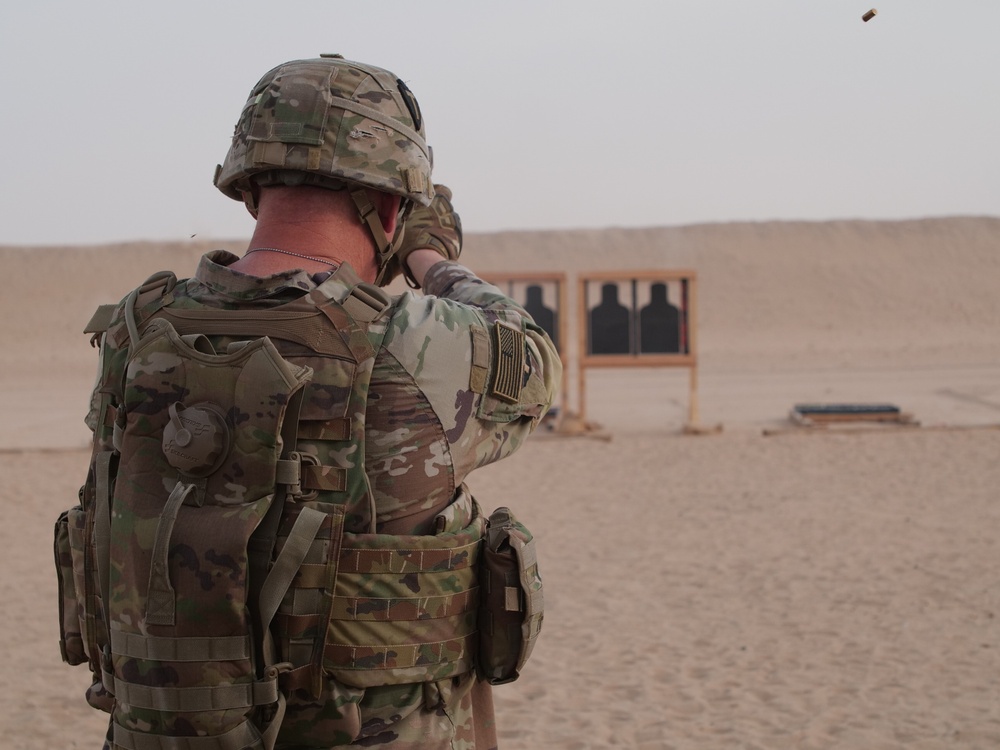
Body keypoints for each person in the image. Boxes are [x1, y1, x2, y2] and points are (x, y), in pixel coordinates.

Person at [65, 54, 560, 749]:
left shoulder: (136, 331)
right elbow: (531, 350)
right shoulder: (415, 346)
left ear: (249, 187)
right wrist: (430, 254)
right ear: (389, 205)